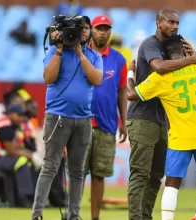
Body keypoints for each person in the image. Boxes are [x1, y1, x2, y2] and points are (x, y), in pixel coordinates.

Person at [127, 34, 196, 220]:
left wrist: (131, 72)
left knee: (171, 184)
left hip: (179, 138)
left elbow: (131, 95)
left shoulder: (162, 78)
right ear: (186, 51)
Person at [31, 15, 103, 220]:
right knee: (50, 166)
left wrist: (80, 53)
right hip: (58, 117)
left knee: (77, 172)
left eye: (85, 28)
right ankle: (36, 214)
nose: (81, 31)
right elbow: (49, 78)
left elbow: (97, 79)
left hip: (83, 120)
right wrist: (61, 49)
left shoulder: (93, 55)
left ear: (89, 32)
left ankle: (74, 215)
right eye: (77, 28)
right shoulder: (55, 51)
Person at [84, 15, 128, 220]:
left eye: (106, 28)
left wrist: (124, 121)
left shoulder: (119, 59)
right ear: (91, 30)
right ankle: (73, 213)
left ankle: (95, 218)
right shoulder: (80, 52)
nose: (103, 32)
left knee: (99, 175)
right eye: (99, 28)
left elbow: (121, 92)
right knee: (76, 174)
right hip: (80, 122)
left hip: (107, 124)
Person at [0, 104, 44, 208]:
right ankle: (24, 199)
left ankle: (33, 198)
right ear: (10, 115)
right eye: (19, 115)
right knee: (21, 162)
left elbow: (17, 148)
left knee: (29, 162)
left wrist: (33, 155)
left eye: (22, 115)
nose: (21, 118)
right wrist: (32, 156)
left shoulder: (11, 125)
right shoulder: (5, 126)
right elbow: (12, 152)